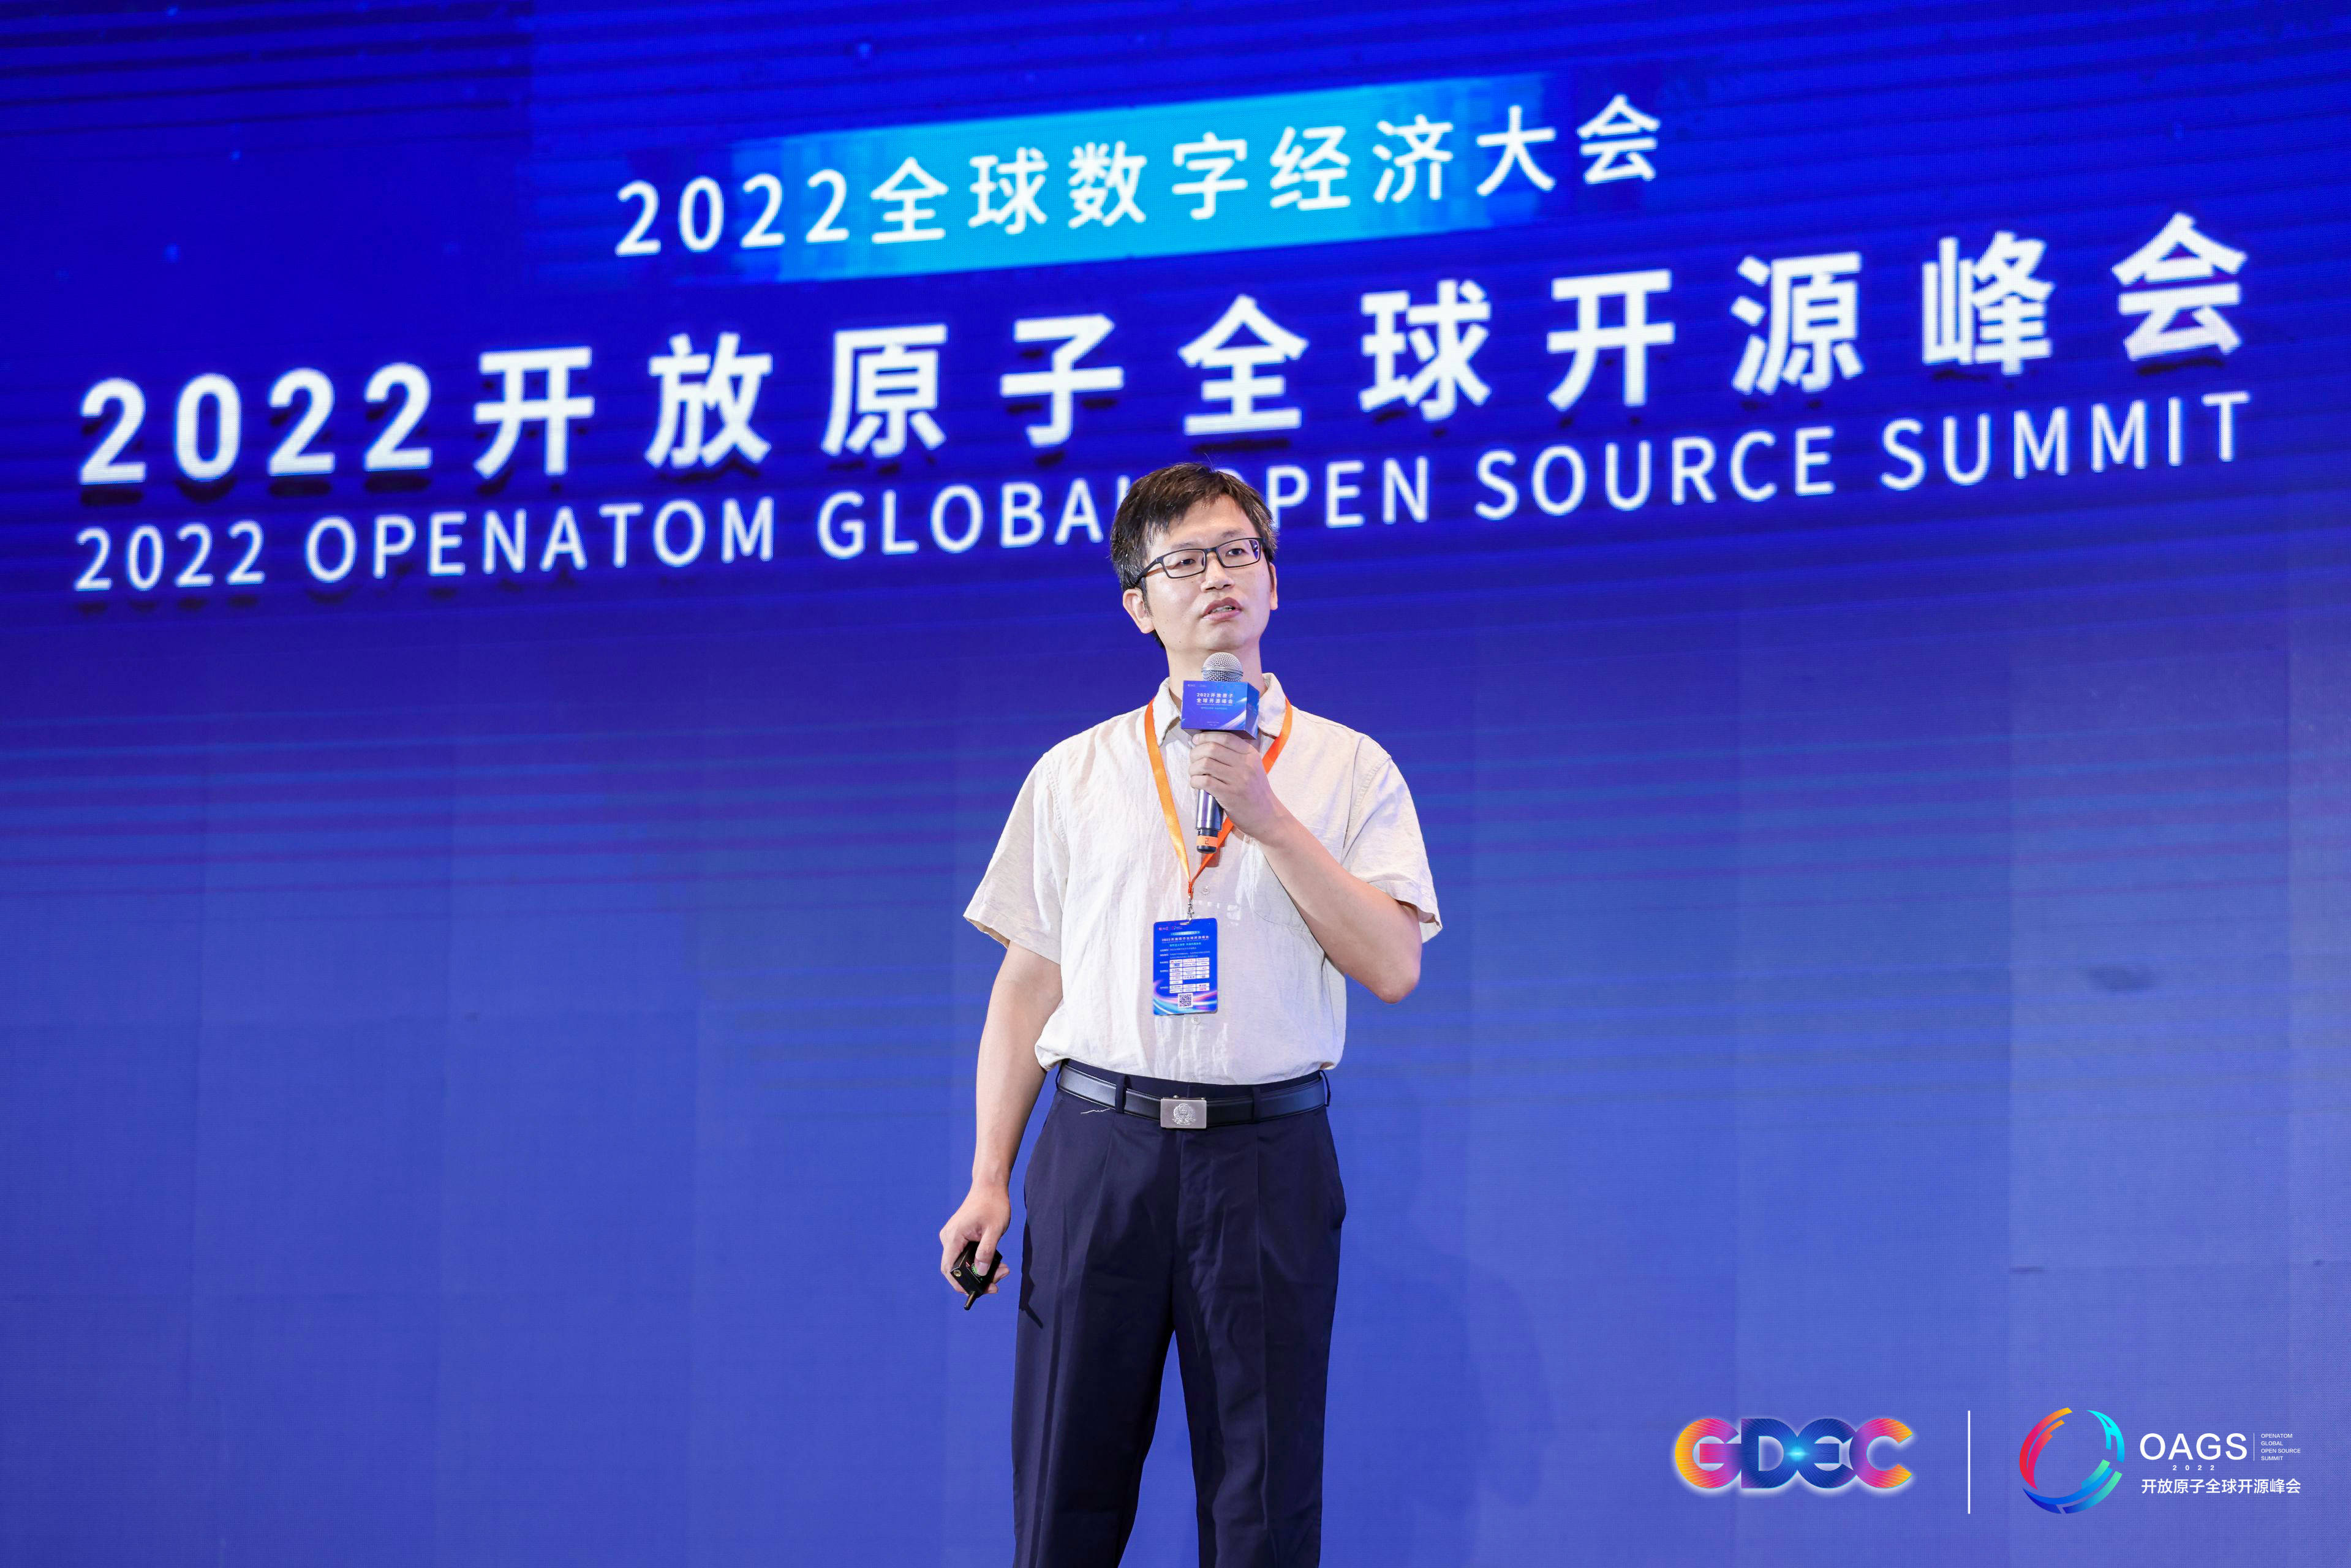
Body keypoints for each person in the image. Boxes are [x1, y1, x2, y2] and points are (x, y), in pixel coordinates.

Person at [939, 462, 1441, 1567]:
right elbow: (1028, 982)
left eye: (1237, 552)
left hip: (1267, 1155)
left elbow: (1392, 965)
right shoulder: (1074, 773)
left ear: (1273, 584)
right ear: (1139, 605)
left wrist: (1267, 816)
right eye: (1183, 561)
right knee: (1064, 1489)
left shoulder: (1348, 768)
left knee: (1263, 1501)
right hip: (1098, 1150)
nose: (1217, 576)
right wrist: (988, 1176)